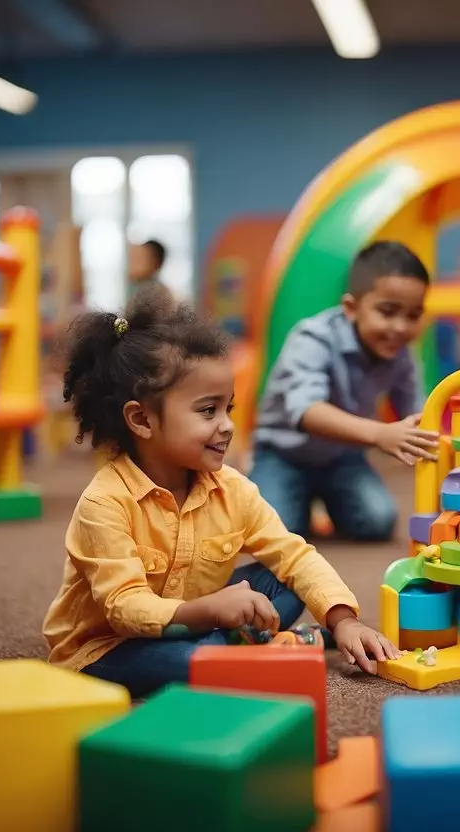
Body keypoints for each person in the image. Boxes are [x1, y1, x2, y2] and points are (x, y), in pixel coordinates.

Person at [43, 286, 399, 699]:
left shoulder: (233, 489)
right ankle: (241, 648)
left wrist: (343, 620)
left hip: (203, 617)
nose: (227, 426)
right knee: (195, 662)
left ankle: (237, 646)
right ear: (141, 419)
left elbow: (294, 555)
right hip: (110, 644)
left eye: (227, 408)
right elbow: (123, 609)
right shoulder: (104, 503)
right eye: (207, 410)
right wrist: (208, 611)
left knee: (281, 580)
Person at [249, 241, 439, 541]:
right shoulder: (313, 338)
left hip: (343, 458)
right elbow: (307, 411)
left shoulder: (400, 353)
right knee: (276, 534)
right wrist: (380, 434)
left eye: (413, 315)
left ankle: (323, 498)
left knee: (378, 522)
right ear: (351, 308)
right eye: (388, 312)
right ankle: (275, 490)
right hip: (284, 455)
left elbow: (418, 413)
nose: (400, 327)